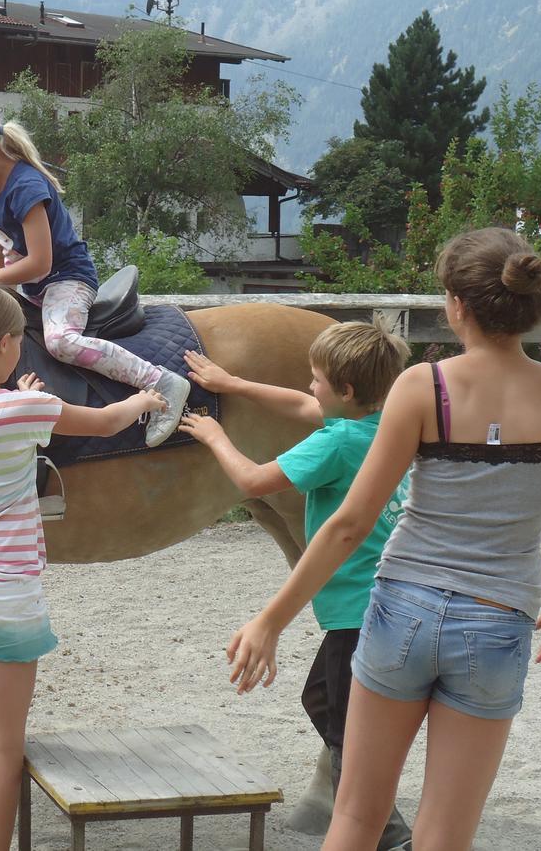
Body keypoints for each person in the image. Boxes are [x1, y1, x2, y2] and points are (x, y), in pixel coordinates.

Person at [225, 228, 541, 851]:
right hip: (497, 621)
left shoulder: (423, 387)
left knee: (357, 821)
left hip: (401, 615)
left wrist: (271, 620)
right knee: (446, 835)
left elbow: (350, 525)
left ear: (457, 306)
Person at [0, 281, 165, 851]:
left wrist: (17, 393)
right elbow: (102, 423)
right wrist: (144, 399)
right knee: (4, 743)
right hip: (4, 595)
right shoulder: (24, 409)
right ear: (5, 345)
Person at [180, 318, 413, 850]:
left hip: (357, 613)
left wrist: (216, 434)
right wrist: (233, 384)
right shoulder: (381, 424)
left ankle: (387, 831)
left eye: (315, 379)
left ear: (346, 390)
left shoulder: (334, 444)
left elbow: (253, 481)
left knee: (343, 727)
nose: (309, 387)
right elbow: (301, 406)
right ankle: (381, 815)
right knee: (322, 700)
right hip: (384, 603)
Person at [0, 98, 190, 448]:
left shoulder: (26, 186)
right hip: (35, 284)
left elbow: (41, 261)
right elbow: (12, 238)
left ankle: (161, 380)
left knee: (60, 341)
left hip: (65, 278)